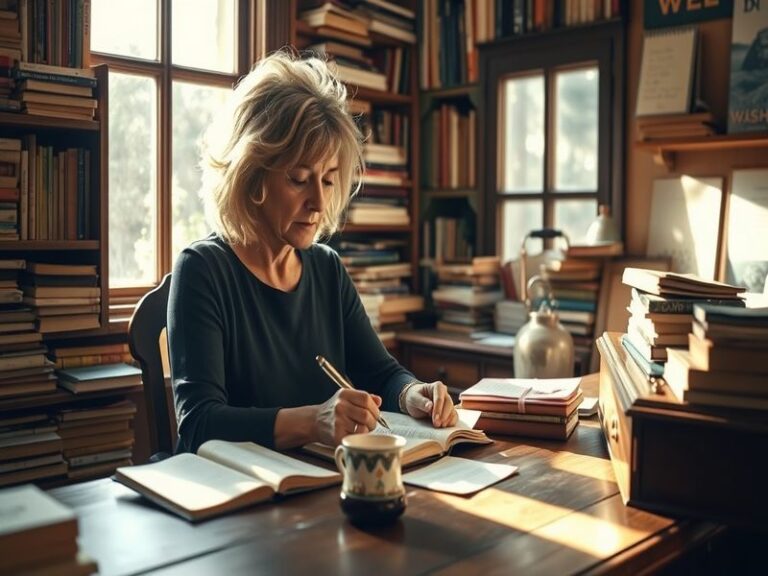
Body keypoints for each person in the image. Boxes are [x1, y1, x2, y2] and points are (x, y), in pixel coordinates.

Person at [168, 50, 458, 454]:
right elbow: (198, 422)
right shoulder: (202, 270)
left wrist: (411, 393)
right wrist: (312, 421)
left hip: (320, 486)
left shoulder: (326, 268)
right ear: (250, 176)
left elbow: (380, 372)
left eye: (327, 180)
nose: (319, 203)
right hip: (241, 497)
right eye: (299, 179)